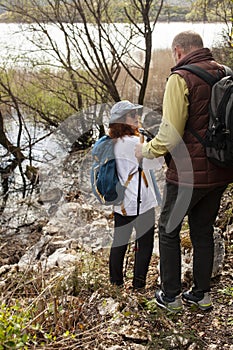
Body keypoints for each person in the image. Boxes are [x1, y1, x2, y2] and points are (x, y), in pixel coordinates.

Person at [135, 31, 233, 311]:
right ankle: (202, 294)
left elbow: (170, 135)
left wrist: (144, 151)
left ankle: (171, 296)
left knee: (167, 231)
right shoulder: (225, 72)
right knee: (203, 230)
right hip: (222, 169)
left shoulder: (181, 78)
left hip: (188, 175)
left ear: (178, 51)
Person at [108, 100, 163, 290]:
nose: (137, 117)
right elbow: (157, 163)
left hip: (121, 202)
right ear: (123, 120)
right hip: (142, 202)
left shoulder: (112, 142)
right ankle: (138, 285)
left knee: (119, 243)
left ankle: (116, 283)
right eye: (132, 115)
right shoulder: (136, 142)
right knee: (145, 244)